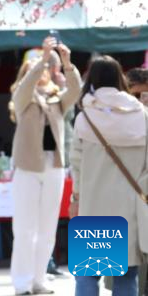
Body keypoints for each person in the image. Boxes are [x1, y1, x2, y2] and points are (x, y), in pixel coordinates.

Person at [70, 56, 148, 296]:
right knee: (126, 276)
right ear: (119, 78)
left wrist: (75, 198)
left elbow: (77, 164)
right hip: (129, 209)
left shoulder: (85, 117)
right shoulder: (142, 115)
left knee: (87, 275)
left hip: (93, 206)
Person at [9, 36, 81, 296]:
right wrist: (41, 60)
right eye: (34, 68)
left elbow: (75, 91)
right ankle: (22, 283)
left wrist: (67, 62)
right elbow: (25, 87)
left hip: (54, 166)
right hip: (28, 167)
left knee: (47, 228)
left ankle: (39, 280)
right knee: (25, 229)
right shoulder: (22, 99)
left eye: (43, 68)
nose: (41, 71)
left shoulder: (55, 99)